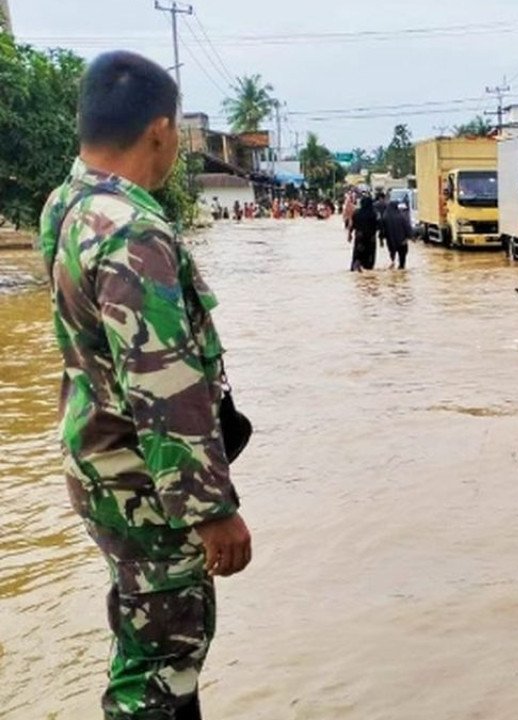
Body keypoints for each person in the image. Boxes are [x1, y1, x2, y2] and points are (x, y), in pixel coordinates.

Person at [38, 51, 251, 720]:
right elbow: (163, 383)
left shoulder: (66, 205)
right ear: (161, 130)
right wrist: (211, 510)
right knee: (164, 668)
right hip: (146, 485)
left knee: (142, 639)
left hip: (101, 465)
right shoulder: (133, 231)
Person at [379, 200, 412, 270]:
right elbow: (407, 227)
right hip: (402, 241)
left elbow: (382, 229)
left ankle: (393, 263)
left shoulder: (385, 217)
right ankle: (401, 268)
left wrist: (381, 239)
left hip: (391, 241)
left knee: (392, 255)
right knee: (402, 260)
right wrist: (410, 236)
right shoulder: (401, 216)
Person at [349, 196, 379, 272]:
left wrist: (350, 234)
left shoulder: (357, 213)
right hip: (370, 238)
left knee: (358, 255)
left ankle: (356, 268)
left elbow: (352, 225)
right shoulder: (374, 213)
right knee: (369, 256)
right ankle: (368, 270)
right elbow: (378, 226)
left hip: (360, 237)